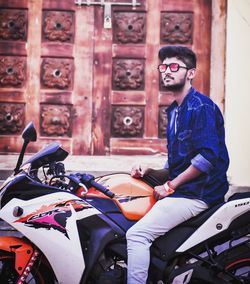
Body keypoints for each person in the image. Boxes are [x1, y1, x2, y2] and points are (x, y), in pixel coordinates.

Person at [126, 45, 230, 284]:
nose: (167, 72)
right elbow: (179, 161)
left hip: (198, 194)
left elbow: (206, 158)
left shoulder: (200, 107)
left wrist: (169, 186)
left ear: (190, 73)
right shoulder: (175, 110)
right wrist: (152, 173)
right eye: (163, 67)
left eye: (174, 67)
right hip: (184, 191)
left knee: (137, 236)